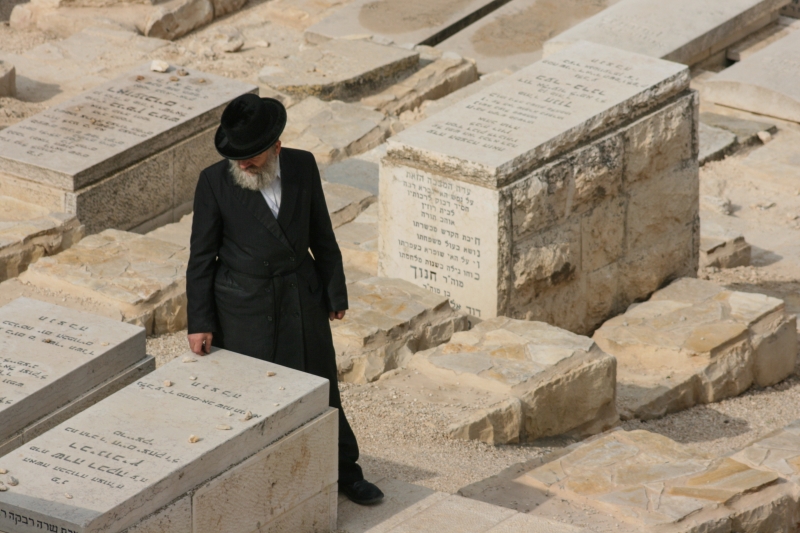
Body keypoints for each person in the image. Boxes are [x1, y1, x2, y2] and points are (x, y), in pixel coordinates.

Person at [185, 93, 383, 505]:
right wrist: (199, 321)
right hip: (245, 308)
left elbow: (321, 233)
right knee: (255, 397)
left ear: (275, 146)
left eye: (251, 156)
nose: (242, 164)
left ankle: (345, 471)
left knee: (322, 385)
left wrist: (334, 290)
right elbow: (202, 257)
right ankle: (259, 479)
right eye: (236, 156)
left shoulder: (302, 165)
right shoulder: (214, 182)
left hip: (300, 297)